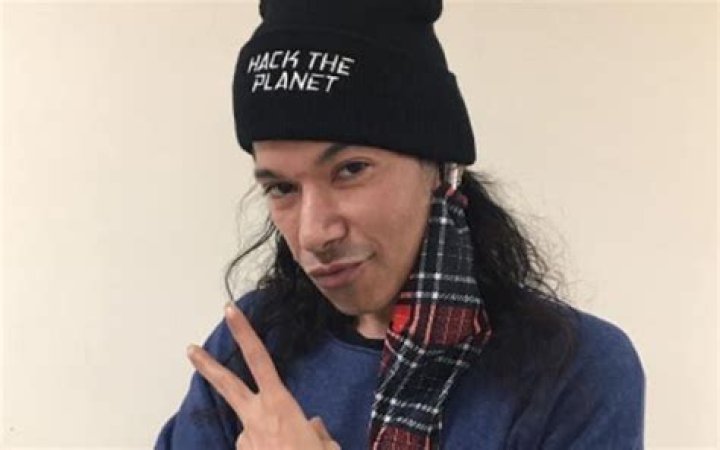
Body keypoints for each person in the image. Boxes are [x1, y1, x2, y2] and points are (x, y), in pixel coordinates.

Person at [156, 0, 645, 448]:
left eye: (351, 170)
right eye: (282, 188)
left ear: (440, 167)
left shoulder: (571, 369)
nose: (313, 233)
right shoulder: (254, 344)